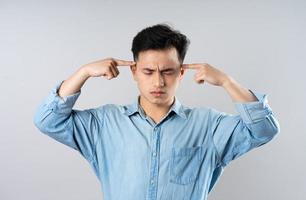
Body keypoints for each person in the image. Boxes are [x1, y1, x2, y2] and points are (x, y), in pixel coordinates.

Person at [33, 23, 280, 200]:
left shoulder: (209, 126)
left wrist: (228, 82)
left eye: (168, 72)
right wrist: (83, 72)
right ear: (134, 72)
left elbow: (264, 130)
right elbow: (47, 121)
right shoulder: (104, 124)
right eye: (148, 72)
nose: (158, 82)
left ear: (181, 73)